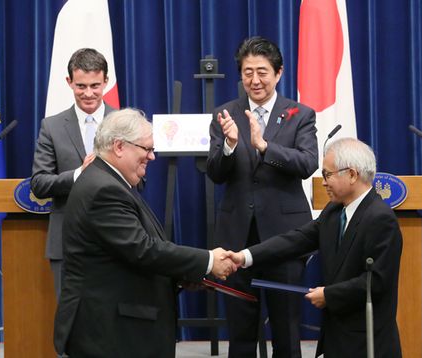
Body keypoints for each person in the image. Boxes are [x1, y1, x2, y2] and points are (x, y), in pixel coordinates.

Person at [53, 108, 236, 357]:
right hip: (109, 332)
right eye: (147, 149)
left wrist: (182, 274)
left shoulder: (112, 181)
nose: (152, 157)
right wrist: (209, 261)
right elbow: (143, 249)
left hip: (119, 328)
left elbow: (132, 250)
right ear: (119, 146)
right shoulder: (103, 190)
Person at [228, 138, 403, 358]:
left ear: (352, 174)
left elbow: (375, 282)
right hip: (336, 339)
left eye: (328, 174)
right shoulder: (333, 211)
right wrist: (245, 256)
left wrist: (329, 295)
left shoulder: (380, 219)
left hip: (367, 342)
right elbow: (297, 240)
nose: (323, 182)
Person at [206, 36, 318, 357]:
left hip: (285, 238)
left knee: (286, 329)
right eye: (247, 72)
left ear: (279, 73)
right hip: (236, 237)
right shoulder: (226, 113)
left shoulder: (300, 114)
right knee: (240, 331)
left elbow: (308, 163)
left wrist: (266, 147)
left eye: (262, 72)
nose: (254, 80)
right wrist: (228, 146)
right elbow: (215, 173)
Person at [31, 48, 115, 298]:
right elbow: (39, 183)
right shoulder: (52, 127)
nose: (88, 93)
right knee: (70, 321)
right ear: (69, 82)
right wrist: (80, 174)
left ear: (106, 82)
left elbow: (140, 182)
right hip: (67, 242)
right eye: (81, 86)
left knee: (111, 322)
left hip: (116, 238)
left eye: (95, 85)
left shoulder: (124, 122)